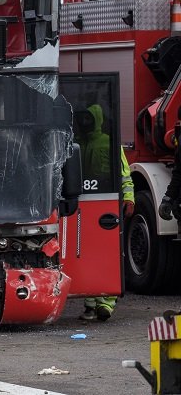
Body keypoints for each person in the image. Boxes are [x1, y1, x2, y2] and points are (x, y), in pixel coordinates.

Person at [76, 104, 134, 321]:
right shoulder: (77, 144)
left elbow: (124, 174)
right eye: (83, 119)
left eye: (89, 119)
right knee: (86, 254)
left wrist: (128, 199)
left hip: (105, 205)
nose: (85, 123)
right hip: (83, 205)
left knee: (106, 254)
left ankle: (106, 303)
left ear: (97, 120)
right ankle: (90, 304)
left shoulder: (109, 142)